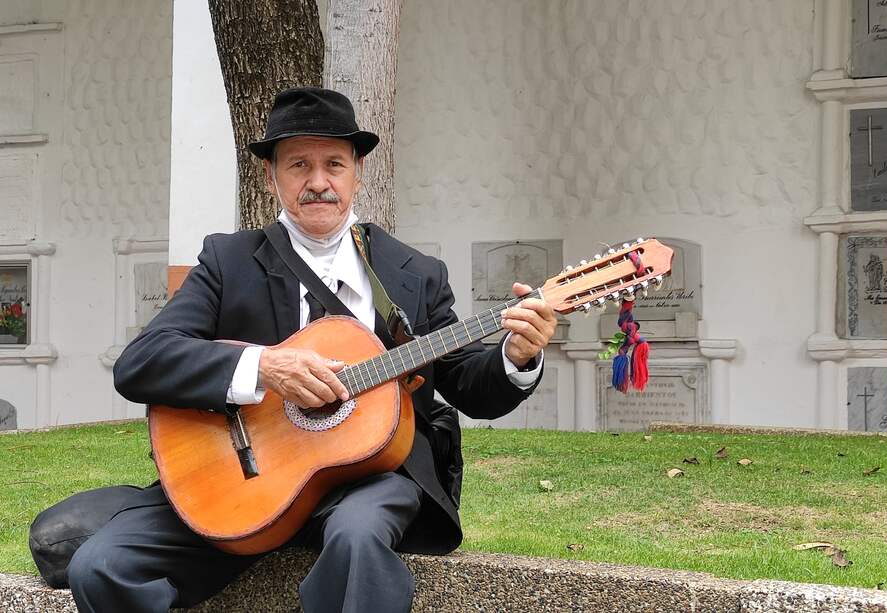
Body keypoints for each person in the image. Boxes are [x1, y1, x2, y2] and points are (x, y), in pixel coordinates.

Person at [66, 86, 556, 613]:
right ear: (270, 176)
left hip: (370, 480)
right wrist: (263, 366)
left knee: (357, 540)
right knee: (100, 566)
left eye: (334, 165)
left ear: (357, 172)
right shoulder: (228, 261)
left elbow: (466, 384)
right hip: (248, 481)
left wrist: (516, 357)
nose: (318, 182)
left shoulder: (414, 273)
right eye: (299, 164)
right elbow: (141, 362)